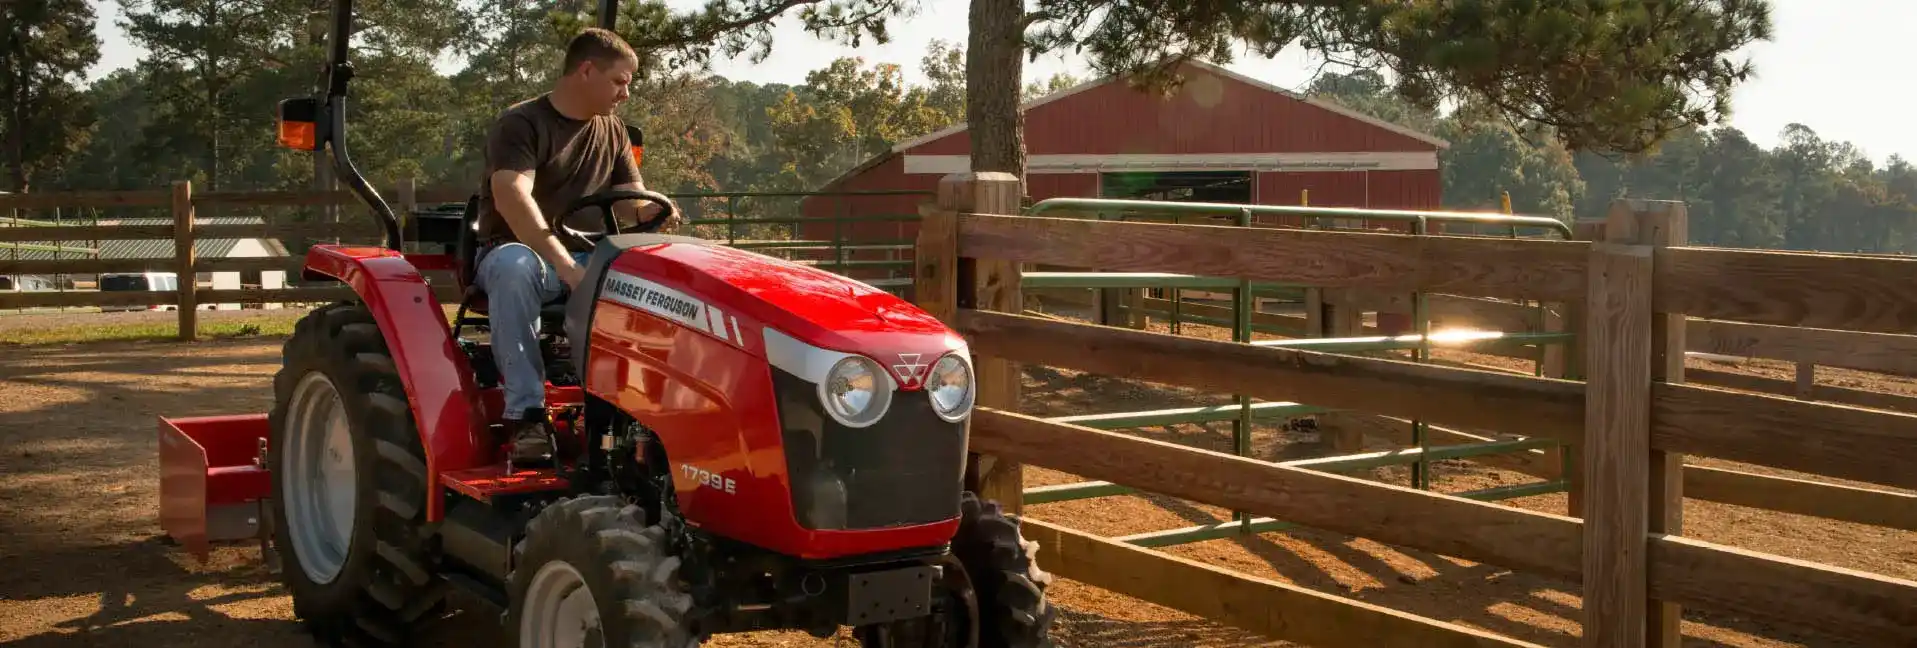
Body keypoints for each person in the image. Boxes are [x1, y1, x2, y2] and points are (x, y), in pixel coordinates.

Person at [474, 27, 677, 463]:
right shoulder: (522, 123)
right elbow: (512, 194)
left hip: (589, 257)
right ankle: (527, 414)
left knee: (660, 280)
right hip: (520, 254)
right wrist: (568, 269)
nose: (626, 93)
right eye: (620, 81)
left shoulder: (613, 131)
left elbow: (629, 200)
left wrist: (650, 212)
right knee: (515, 267)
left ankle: (639, 419)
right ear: (586, 70)